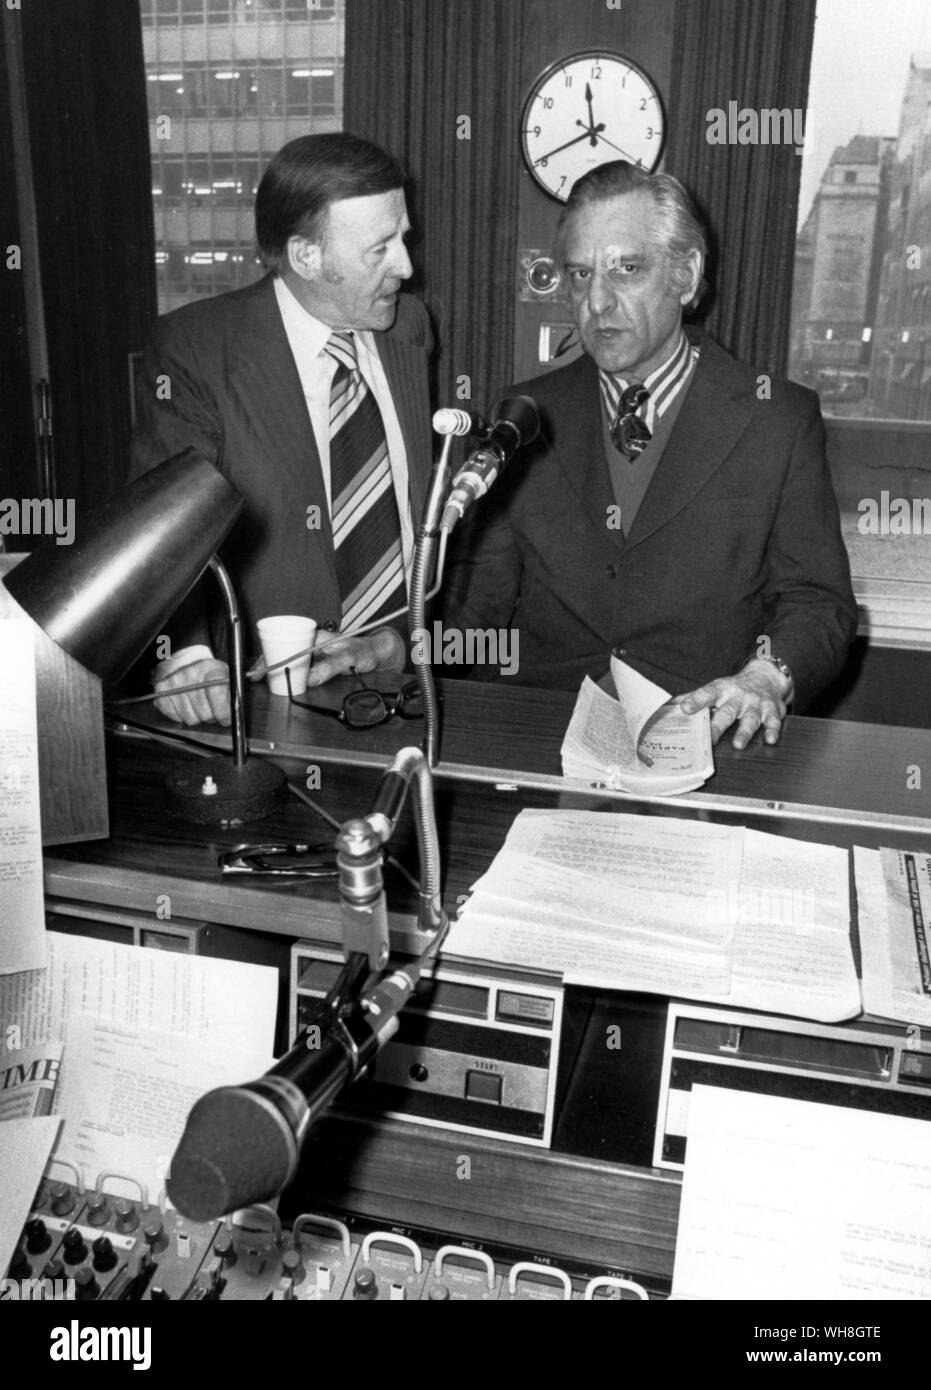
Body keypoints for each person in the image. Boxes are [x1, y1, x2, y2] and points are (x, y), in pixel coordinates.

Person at [443, 160, 857, 750]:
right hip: (542, 739)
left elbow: (817, 602)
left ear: (686, 276)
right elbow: (478, 599)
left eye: (627, 269)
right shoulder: (526, 414)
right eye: (580, 274)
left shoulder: (778, 419)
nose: (597, 302)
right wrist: (398, 645)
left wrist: (766, 677)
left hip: (705, 742)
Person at [130, 133, 433, 726]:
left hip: (399, 688)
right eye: (380, 249)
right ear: (306, 257)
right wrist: (186, 657)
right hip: (265, 701)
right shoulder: (197, 349)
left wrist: (393, 644)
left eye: (403, 237)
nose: (406, 266)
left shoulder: (410, 328)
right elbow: (162, 523)